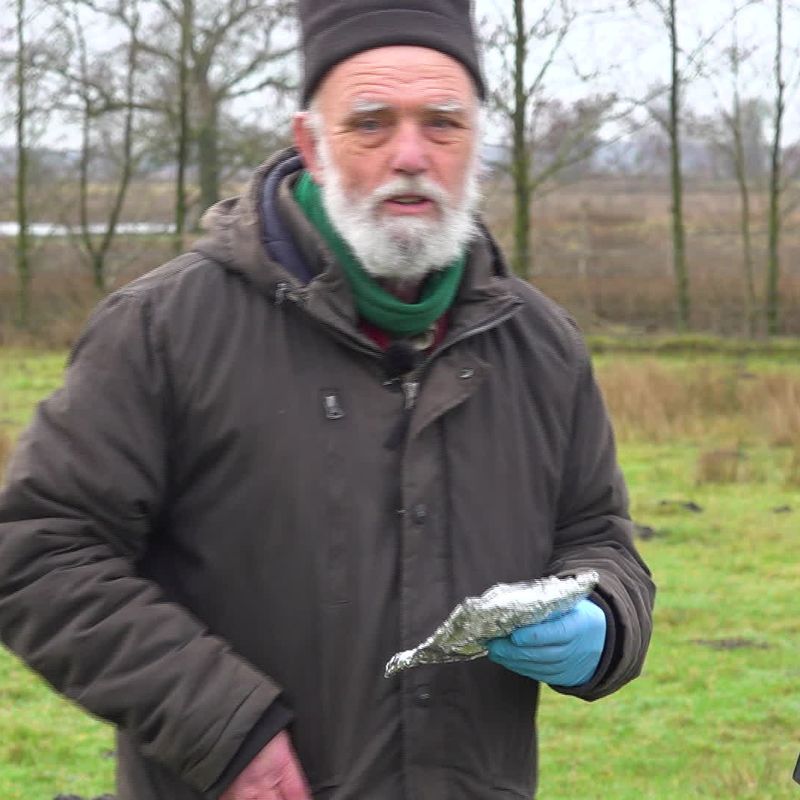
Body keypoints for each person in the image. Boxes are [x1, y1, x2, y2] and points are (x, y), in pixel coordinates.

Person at [0, 1, 655, 798]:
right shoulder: (162, 331)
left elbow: (599, 538)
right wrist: (221, 725)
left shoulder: (543, 349)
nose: (410, 155)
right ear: (310, 143)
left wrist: (607, 622)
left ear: (477, 144)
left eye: (443, 124)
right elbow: (40, 550)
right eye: (371, 123)